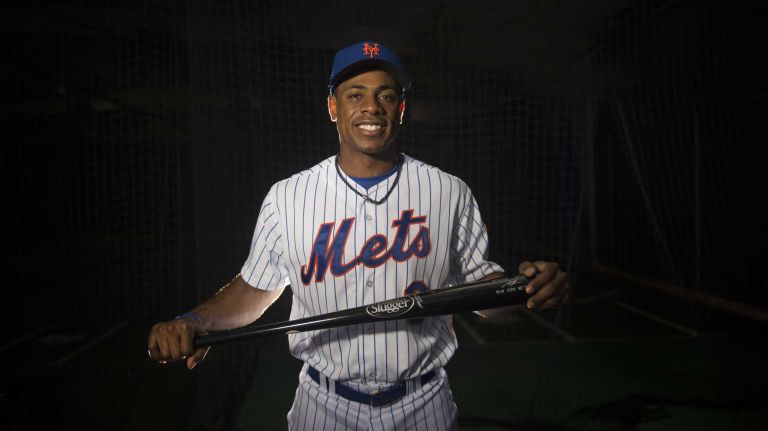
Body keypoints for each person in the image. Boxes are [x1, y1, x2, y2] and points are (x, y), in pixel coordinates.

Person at [147, 41, 569, 430]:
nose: (373, 107)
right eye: (356, 94)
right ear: (333, 107)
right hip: (323, 407)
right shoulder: (287, 197)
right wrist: (194, 320)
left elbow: (485, 295)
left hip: (423, 406)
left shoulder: (448, 191)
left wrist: (526, 289)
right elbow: (254, 290)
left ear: (401, 109)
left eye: (386, 95)